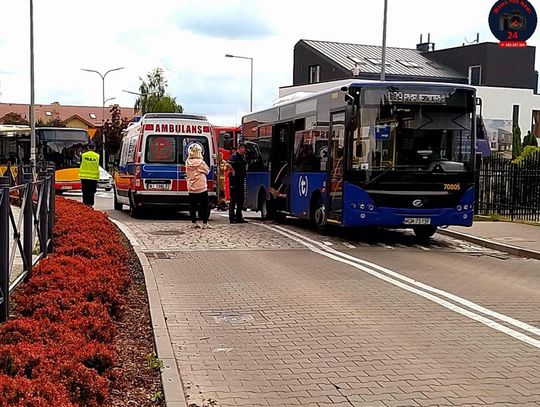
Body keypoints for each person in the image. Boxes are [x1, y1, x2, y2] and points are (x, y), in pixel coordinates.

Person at [185, 144, 212, 229]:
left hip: (191, 187)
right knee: (204, 205)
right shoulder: (201, 163)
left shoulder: (187, 162)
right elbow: (207, 171)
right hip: (201, 187)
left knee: (192, 205)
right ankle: (205, 223)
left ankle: (194, 222)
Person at [226, 143, 248, 223]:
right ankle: (232, 217)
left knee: (240, 199)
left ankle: (239, 217)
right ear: (239, 148)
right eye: (244, 148)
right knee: (233, 199)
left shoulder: (242, 157)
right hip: (234, 181)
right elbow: (228, 164)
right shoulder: (234, 156)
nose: (245, 151)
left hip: (240, 180)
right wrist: (233, 171)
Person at [79, 142, 100, 206]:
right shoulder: (97, 156)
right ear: (94, 148)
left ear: (88, 147)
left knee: (85, 192)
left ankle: (85, 204)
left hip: (84, 177)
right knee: (92, 192)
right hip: (93, 178)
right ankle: (91, 204)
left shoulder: (83, 155)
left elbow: (80, 163)